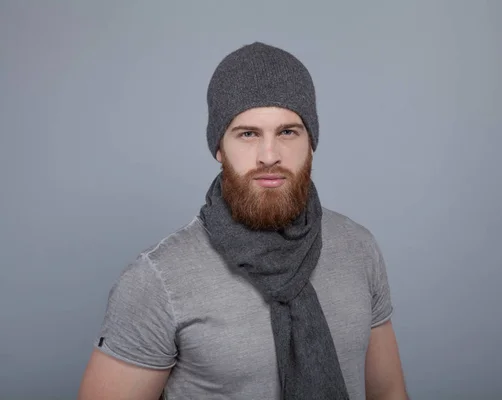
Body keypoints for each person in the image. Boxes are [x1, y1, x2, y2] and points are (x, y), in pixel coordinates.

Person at [78, 42, 409, 400]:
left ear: (311, 142)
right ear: (219, 147)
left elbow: (388, 392)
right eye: (248, 134)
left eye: (287, 132)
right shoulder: (158, 280)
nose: (270, 156)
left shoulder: (357, 248)